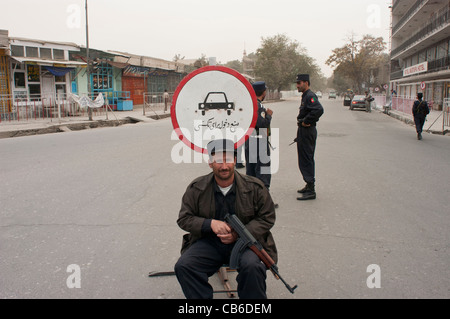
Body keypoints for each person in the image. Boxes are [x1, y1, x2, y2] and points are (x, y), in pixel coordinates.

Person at [174, 139, 277, 299]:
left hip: (245, 244)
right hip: (209, 242)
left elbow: (267, 217)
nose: (224, 166)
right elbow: (184, 218)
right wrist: (210, 224)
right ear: (210, 163)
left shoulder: (255, 187)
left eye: (228, 160)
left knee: (253, 267)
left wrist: (239, 233)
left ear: (235, 160)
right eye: (218, 161)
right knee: (184, 266)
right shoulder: (197, 188)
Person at [295, 74, 324, 201]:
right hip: (303, 130)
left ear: (306, 83)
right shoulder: (305, 96)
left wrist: (307, 120)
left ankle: (311, 189)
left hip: (307, 131)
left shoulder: (310, 96)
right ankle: (308, 184)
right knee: (303, 158)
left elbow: (318, 109)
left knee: (306, 158)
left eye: (299, 83)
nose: (297, 85)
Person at [245, 81, 273, 191]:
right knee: (263, 172)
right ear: (263, 92)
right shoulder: (258, 105)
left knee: (251, 172)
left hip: (249, 140)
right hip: (259, 142)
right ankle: (264, 201)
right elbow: (262, 124)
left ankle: (252, 200)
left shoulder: (249, 104)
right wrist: (269, 116)